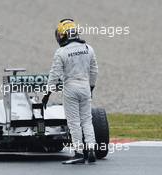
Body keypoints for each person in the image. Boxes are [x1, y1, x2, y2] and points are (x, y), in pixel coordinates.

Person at [42, 19, 98, 164]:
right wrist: (91, 88)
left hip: (70, 88)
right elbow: (94, 71)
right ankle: (91, 149)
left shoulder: (61, 52)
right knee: (87, 120)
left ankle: (79, 152)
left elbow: (54, 75)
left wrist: (47, 94)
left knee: (74, 122)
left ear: (63, 35)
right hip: (85, 86)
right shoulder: (88, 48)